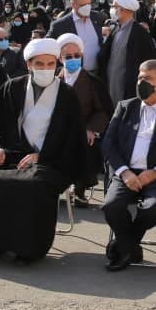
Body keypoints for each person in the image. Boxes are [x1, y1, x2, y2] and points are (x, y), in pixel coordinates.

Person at [0, 38, 86, 263]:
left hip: (50, 160)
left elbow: (72, 137)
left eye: (50, 64)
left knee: (32, 185)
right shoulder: (12, 87)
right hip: (10, 153)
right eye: (39, 64)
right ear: (28, 64)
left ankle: (28, 247)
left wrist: (41, 155)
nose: (45, 69)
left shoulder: (66, 94)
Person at [100, 59, 156, 271]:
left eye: (147, 79)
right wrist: (124, 172)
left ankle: (123, 245)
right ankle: (130, 247)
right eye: (139, 77)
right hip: (126, 173)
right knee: (111, 206)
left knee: (154, 208)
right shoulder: (125, 107)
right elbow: (108, 144)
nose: (141, 82)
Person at [55, 32, 113, 202]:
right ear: (60, 58)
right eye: (68, 56)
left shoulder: (93, 81)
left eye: (77, 55)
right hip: (57, 130)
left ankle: (79, 189)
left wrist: (91, 129)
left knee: (85, 147)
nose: (73, 59)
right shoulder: (53, 80)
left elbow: (103, 110)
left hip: (83, 130)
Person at [97, 0, 156, 109]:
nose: (112, 9)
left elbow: (149, 62)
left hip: (129, 89)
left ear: (123, 9)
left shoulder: (139, 33)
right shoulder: (115, 30)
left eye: (114, 6)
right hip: (111, 84)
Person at [48, 0, 101, 73]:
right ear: (73, 4)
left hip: (98, 74)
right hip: (73, 75)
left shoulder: (98, 18)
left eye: (88, 3)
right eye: (83, 5)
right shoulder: (59, 25)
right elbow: (49, 49)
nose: (87, 7)